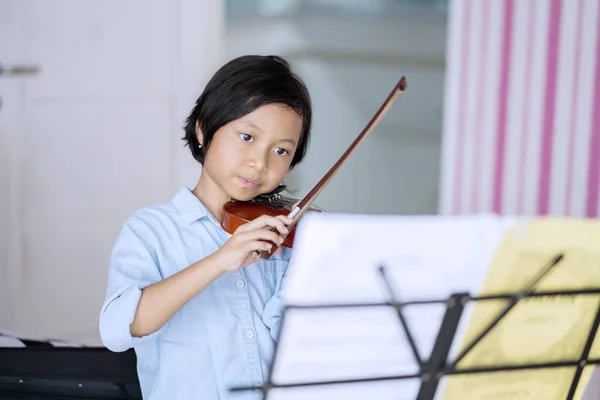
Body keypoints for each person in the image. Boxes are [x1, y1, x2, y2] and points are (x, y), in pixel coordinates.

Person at [99, 54, 312, 400]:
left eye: (281, 151)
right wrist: (219, 261)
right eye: (247, 137)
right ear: (203, 129)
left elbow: (292, 346)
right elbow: (116, 329)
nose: (260, 162)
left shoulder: (282, 240)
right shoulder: (150, 231)